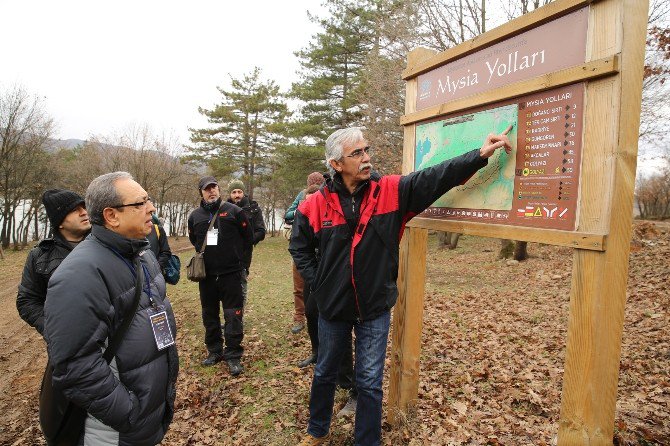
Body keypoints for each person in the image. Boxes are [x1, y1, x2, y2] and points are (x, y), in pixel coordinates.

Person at [290, 126, 512, 445]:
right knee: (325, 372)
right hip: (333, 306)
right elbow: (299, 247)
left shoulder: (391, 191)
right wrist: (320, 284)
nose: (366, 158)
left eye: (366, 150)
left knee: (368, 381)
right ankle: (317, 431)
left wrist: (478, 156)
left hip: (375, 307)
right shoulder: (314, 204)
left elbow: (437, 176)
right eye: (357, 153)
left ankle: (367, 441)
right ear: (336, 164)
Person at [44, 171, 179, 445]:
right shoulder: (80, 275)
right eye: (140, 203)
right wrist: (128, 412)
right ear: (111, 216)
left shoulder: (143, 255)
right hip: (111, 431)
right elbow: (75, 366)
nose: (151, 208)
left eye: (148, 200)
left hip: (147, 414)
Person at [188, 176, 253, 375]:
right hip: (206, 277)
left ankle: (233, 355)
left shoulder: (235, 211)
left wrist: (240, 263)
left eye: (214, 187)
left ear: (219, 189)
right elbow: (194, 239)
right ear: (201, 192)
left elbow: (248, 238)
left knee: (233, 315)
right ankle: (214, 351)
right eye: (207, 189)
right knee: (210, 315)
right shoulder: (195, 216)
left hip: (231, 275)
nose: (211, 192)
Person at [17, 189, 91, 337]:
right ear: (59, 222)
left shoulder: (106, 243)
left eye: (84, 207)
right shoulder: (40, 255)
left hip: (112, 339)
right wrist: (52, 329)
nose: (84, 212)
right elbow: (27, 301)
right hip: (69, 344)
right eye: (75, 210)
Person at [285, 172, 325, 334]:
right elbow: (288, 214)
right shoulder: (302, 196)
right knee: (299, 285)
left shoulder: (328, 196)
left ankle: (320, 317)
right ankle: (299, 317)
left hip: (321, 250)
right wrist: (301, 211)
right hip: (301, 248)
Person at [226, 179, 266, 305]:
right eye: (233, 192)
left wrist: (248, 241)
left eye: (239, 191)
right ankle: (230, 317)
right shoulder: (222, 208)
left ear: (243, 192)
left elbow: (261, 231)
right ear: (229, 194)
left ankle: (239, 317)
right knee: (227, 287)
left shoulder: (253, 209)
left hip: (244, 254)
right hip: (225, 254)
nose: (237, 195)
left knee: (241, 284)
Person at [147, 212, 173, 276]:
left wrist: (157, 266)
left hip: (156, 274)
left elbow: (166, 252)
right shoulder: (129, 231)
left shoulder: (158, 229)